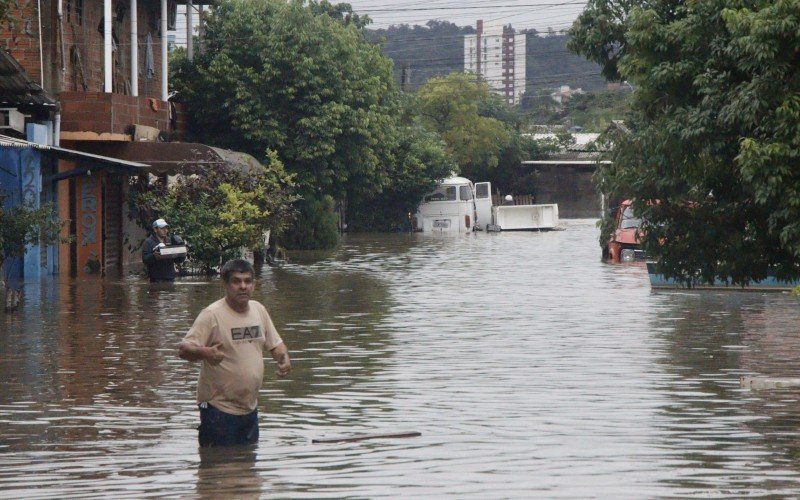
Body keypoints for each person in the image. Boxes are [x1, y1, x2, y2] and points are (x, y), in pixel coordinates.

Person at [178, 259, 291, 447]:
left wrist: (283, 358)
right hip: (217, 409)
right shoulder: (211, 314)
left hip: (249, 408)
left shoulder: (258, 310)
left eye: (247, 281)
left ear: (254, 285)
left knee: (248, 469)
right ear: (225, 285)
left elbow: (276, 344)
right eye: (236, 281)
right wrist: (206, 353)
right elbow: (183, 349)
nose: (243, 286)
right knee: (217, 468)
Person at [141, 218, 185, 282]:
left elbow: (177, 260)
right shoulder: (148, 242)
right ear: (155, 229)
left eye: (166, 228)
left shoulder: (170, 241)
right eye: (162, 228)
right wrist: (154, 256)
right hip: (156, 278)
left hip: (170, 278)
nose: (165, 230)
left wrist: (182, 255)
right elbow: (145, 259)